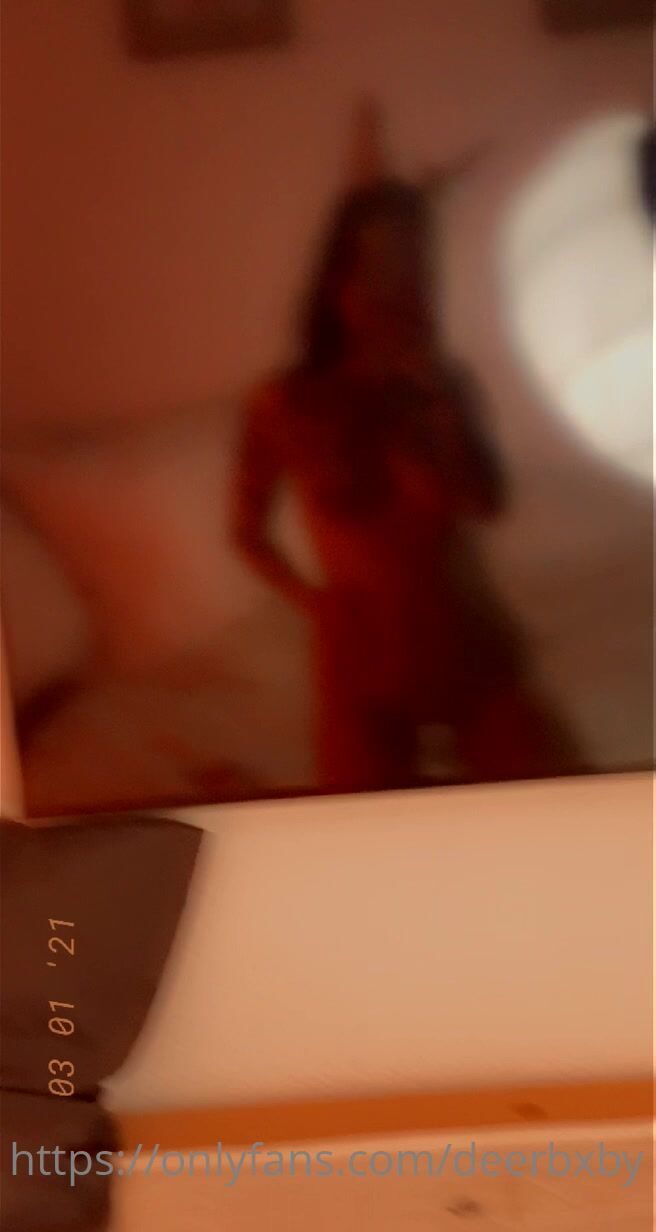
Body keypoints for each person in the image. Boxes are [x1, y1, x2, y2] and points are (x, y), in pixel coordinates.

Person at [231, 163, 580, 793]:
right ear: (337, 282)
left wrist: (435, 413)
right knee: (363, 828)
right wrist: (315, 603)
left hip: (465, 633)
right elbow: (246, 535)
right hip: (362, 656)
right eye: (376, 271)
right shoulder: (285, 403)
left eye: (411, 273)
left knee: (560, 804)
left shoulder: (444, 383)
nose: (394, 292)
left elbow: (487, 504)